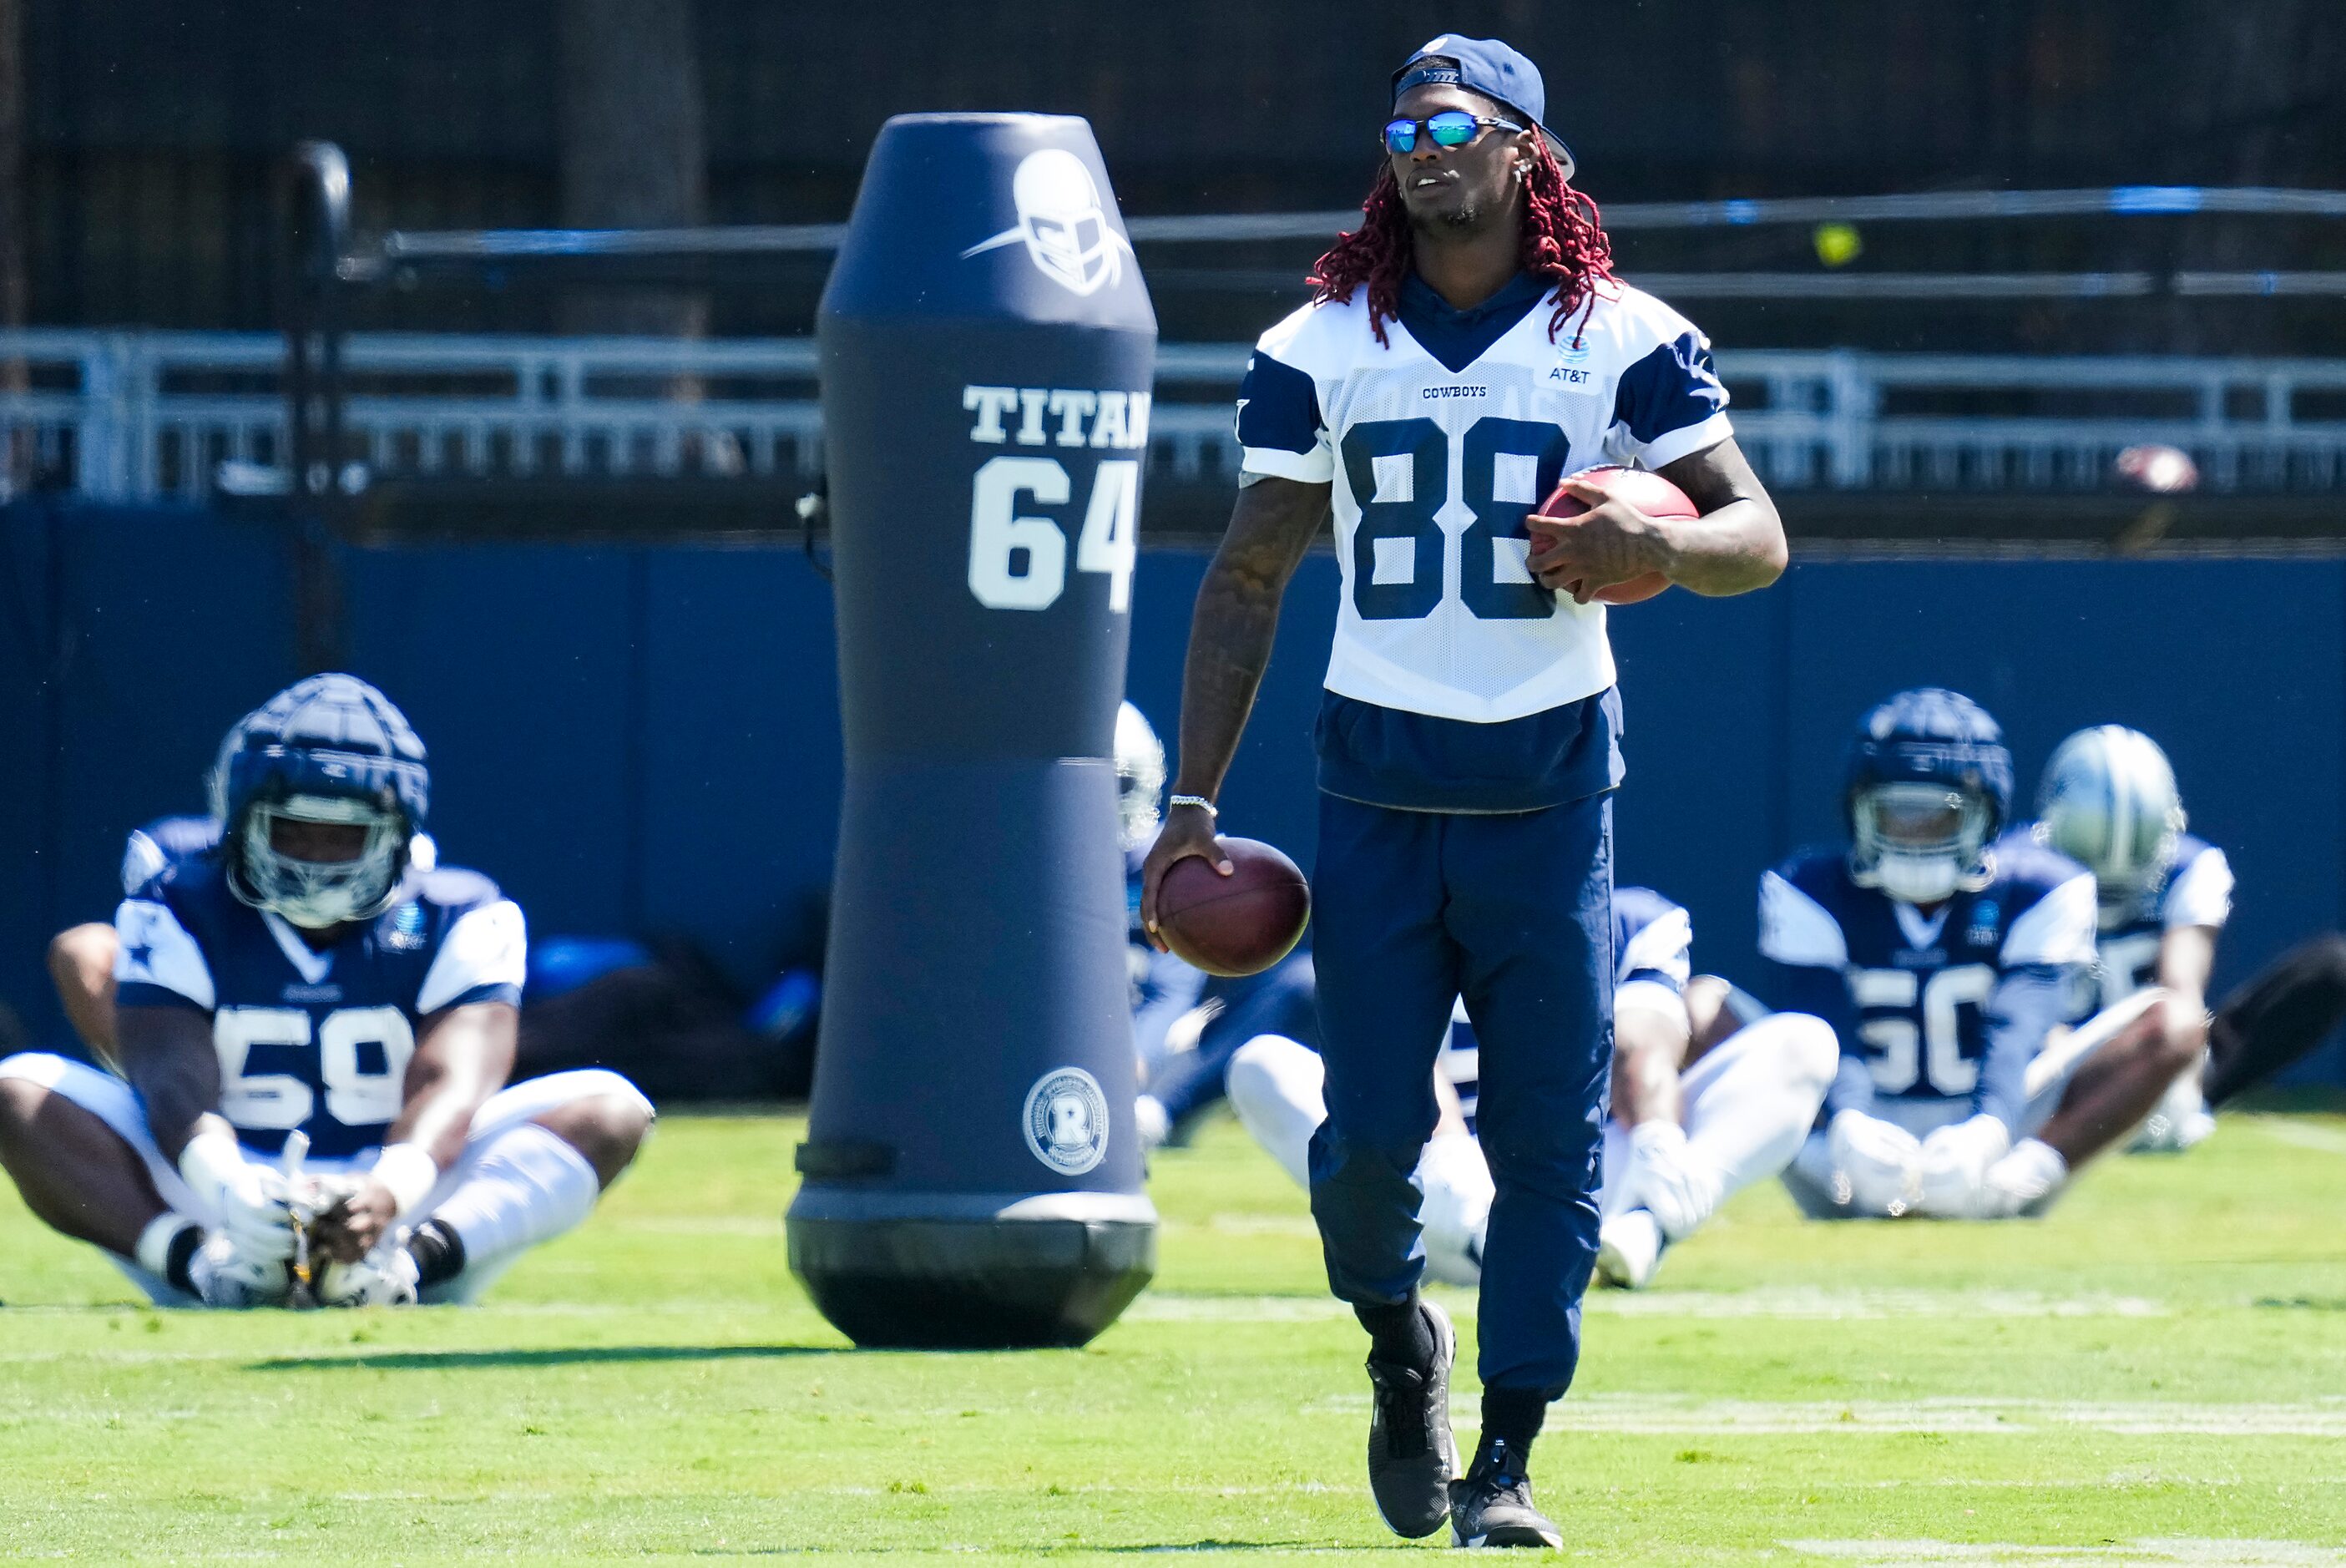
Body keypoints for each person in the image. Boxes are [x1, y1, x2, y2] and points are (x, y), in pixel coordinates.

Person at [1139, 35, 1785, 1548]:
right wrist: (1191, 801)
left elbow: (1759, 531)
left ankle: (1508, 1458)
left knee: (1550, 1152)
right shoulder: (1319, 343)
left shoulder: (1621, 335)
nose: (1422, 148)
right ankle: (1397, 1348)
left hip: (1552, 793)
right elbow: (1248, 574)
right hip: (1376, 785)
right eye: (1401, 127)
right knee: (1368, 1143)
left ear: (1526, 152)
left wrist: (1669, 552)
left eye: (1452, 124)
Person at [0, 675, 653, 1308]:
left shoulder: (461, 912)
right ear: (241, 822)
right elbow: (172, 1077)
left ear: (396, 831)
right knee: (18, 1091)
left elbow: (452, 1085)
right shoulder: (180, 900)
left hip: (405, 1190)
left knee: (611, 1108)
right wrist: (229, 1191)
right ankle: (198, 1264)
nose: (313, 859)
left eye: (344, 837)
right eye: (291, 830)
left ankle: (410, 1268)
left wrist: (389, 1193)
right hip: (217, 1190)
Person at [1226, 887, 1836, 1292]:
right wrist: (1463, 1186)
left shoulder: (1629, 919)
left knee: (1805, 1041)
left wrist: (1657, 1142)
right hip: (1441, 1192)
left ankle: (1650, 1226)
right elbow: (1402, 1072)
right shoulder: (1401, 915)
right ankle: (1502, 1249)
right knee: (1261, 1067)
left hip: (1590, 1184)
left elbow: (1638, 1049)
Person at [1761, 688, 2189, 1222]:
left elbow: (2017, 1027)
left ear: (1984, 816)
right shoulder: (1809, 887)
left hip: (2001, 1121)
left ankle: (2022, 1181)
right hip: (1850, 1134)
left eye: (1938, 819)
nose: (1914, 836)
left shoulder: (2042, 887)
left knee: (2177, 1022)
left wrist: (1990, 1131)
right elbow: (1825, 1021)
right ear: (1859, 809)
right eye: (1895, 816)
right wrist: (1848, 1125)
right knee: (1704, 1008)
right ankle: (1823, 1163)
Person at [2029, 724, 2346, 1143]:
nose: (2115, 869)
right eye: (2089, 842)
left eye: (2139, 843)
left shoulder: (2192, 868)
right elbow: (2026, 1005)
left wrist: (2178, 1083)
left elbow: (2181, 990)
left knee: (2330, 966)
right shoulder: (2023, 874)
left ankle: (2190, 1097)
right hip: (2045, 1061)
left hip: (2156, 1048)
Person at [1115, 701, 1317, 1149]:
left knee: (1303, 985)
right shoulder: (1030, 866)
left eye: (1119, 784)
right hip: (1058, 1043)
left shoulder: (1169, 862)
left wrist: (1133, 1055)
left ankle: (1159, 1112)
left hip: (1159, 1047)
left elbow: (1170, 988)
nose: (1109, 803)